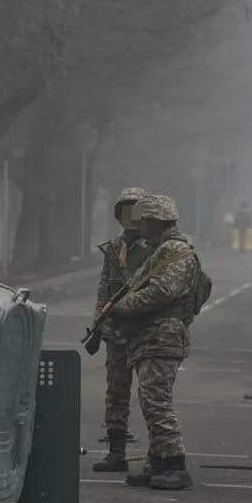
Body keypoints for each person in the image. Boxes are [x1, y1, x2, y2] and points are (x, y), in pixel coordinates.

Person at [112, 194, 199, 491]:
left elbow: (161, 292)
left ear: (154, 222)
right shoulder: (162, 250)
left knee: (157, 401)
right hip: (152, 335)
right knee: (150, 401)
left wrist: (123, 306)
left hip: (163, 335)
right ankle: (159, 462)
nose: (139, 226)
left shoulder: (175, 251)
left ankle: (175, 464)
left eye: (144, 221)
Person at [92, 187, 153, 473]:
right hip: (116, 332)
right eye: (125, 210)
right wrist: (97, 324)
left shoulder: (156, 247)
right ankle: (116, 453)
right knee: (116, 394)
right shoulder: (114, 248)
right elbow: (104, 288)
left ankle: (159, 453)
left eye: (136, 209)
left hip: (145, 332)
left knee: (151, 395)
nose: (131, 216)